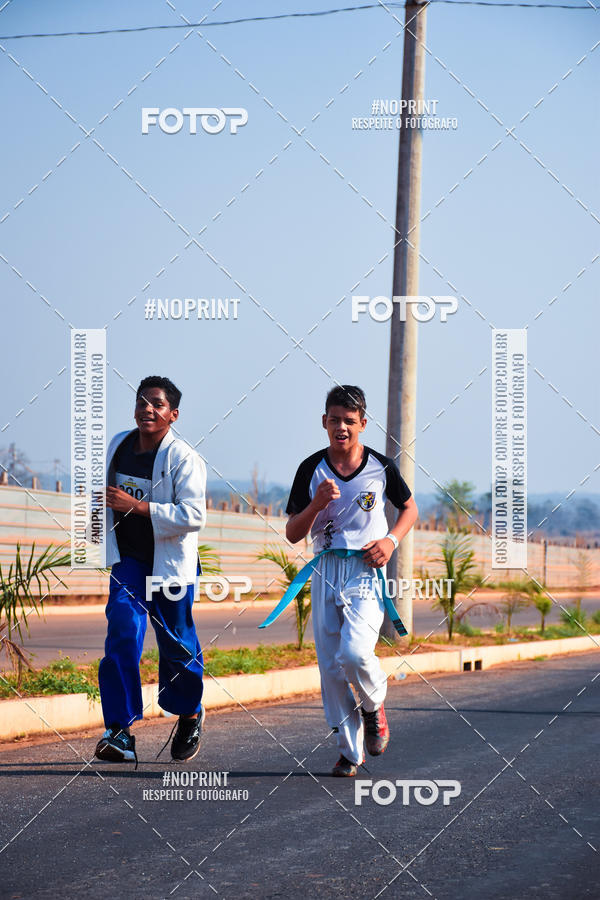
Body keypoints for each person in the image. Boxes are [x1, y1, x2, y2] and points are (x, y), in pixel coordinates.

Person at [284, 385, 418, 776]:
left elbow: (409, 508)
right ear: (324, 421)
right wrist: (316, 504)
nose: (340, 426)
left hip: (364, 570)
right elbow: (293, 532)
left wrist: (391, 541)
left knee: (356, 654)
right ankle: (350, 751)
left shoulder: (381, 466)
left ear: (362, 422)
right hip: (325, 570)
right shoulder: (311, 469)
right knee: (330, 669)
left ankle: (374, 706)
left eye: (349, 420)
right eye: (334, 419)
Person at [95, 375, 207, 766]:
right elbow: (103, 497)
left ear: (173, 415)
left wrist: (137, 506)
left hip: (171, 566)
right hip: (129, 560)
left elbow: (194, 515)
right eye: (143, 401)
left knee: (176, 646)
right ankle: (119, 731)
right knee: (123, 630)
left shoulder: (184, 458)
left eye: (157, 404)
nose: (148, 409)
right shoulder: (118, 447)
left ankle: (190, 713)